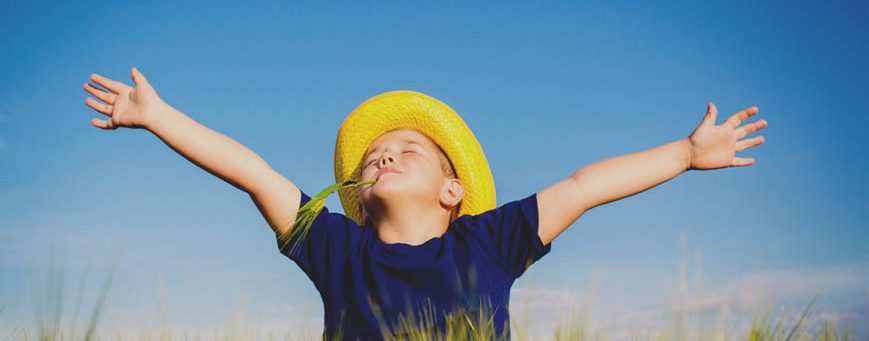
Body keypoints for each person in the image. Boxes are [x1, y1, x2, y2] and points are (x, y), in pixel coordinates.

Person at [82, 67, 768, 340]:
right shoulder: (338, 249)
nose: (381, 154)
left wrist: (683, 153)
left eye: (405, 147)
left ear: (453, 191)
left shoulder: (487, 243)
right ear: (355, 195)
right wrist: (159, 116)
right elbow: (255, 174)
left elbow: (583, 186)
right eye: (371, 156)